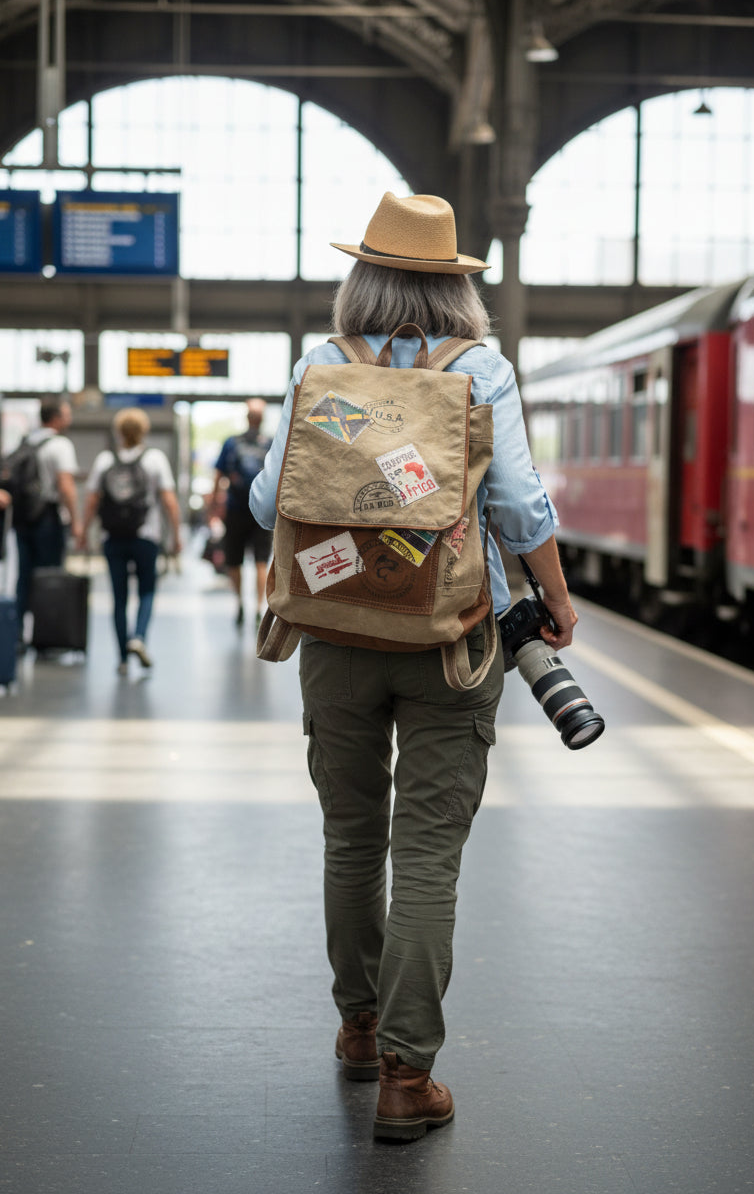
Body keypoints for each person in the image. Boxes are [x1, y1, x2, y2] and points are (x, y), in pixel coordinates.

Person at [250, 192, 578, 1141]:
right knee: (428, 852)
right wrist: (554, 597)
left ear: (362, 276)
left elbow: (272, 502)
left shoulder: (321, 365)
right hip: (451, 636)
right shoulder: (482, 369)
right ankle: (406, 1076)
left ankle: (358, 1030)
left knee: (353, 839)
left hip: (337, 627)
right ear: (456, 287)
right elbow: (518, 506)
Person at [79, 407, 181, 674]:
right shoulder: (155, 459)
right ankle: (139, 637)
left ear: (118, 431)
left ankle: (122, 658)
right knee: (147, 590)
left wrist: (82, 532)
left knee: (119, 597)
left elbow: (92, 500)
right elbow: (169, 501)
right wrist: (177, 536)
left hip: (112, 536)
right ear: (144, 430)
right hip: (146, 535)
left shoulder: (104, 460)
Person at [14, 396, 81, 643]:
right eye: (66, 413)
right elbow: (66, 486)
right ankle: (46, 635)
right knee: (50, 577)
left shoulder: (26, 441)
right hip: (48, 518)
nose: (69, 418)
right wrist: (76, 522)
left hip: (23, 519)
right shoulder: (60, 445)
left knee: (25, 576)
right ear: (55, 418)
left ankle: (18, 634)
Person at [210, 398, 273, 627]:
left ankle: (240, 603)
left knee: (234, 560)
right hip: (262, 511)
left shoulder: (232, 442)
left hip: (235, 509)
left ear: (247, 418)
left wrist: (214, 505)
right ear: (262, 419)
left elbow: (219, 475)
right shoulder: (271, 443)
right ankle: (257, 607)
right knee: (260, 561)